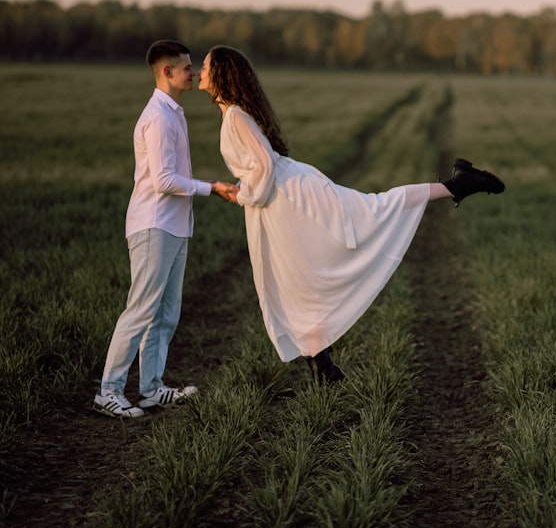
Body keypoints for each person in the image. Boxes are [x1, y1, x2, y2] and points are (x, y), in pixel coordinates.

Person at [197, 45, 505, 383]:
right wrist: (242, 192)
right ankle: (322, 365)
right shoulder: (233, 114)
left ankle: (456, 185)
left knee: (372, 213)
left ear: (222, 74)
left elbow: (266, 165)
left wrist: (243, 194)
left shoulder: (236, 116)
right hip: (280, 200)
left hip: (291, 196)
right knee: (296, 275)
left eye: (206, 65)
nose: (200, 70)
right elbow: (261, 166)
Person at [94, 40, 236, 418]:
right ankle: (108, 391)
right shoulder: (158, 115)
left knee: (166, 313)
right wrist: (213, 187)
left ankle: (151, 388)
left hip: (174, 227)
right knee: (141, 310)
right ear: (166, 72)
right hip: (153, 225)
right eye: (187, 68)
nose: (194, 73)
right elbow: (163, 181)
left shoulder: (174, 112)